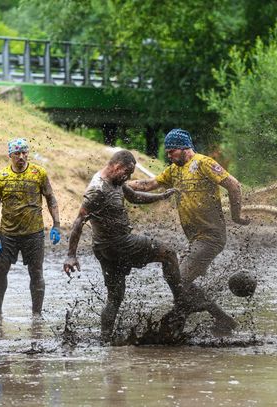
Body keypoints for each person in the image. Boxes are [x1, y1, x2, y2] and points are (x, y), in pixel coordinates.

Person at [128, 128, 250, 336]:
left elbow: (234, 185)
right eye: (167, 152)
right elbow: (149, 184)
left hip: (211, 237)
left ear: (185, 148)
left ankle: (197, 320)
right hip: (195, 239)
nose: (169, 155)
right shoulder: (174, 170)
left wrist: (236, 216)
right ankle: (207, 319)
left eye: (172, 151)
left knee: (180, 280)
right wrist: (119, 184)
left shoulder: (204, 163)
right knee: (172, 276)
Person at [63, 150, 185, 343]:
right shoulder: (97, 189)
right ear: (116, 166)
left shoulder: (116, 181)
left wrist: (161, 196)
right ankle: (181, 301)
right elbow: (79, 221)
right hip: (119, 244)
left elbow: (134, 196)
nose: (128, 177)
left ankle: (105, 340)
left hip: (104, 248)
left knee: (115, 297)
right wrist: (71, 255)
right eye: (126, 173)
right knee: (168, 253)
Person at [0, 138, 61, 316]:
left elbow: (51, 198)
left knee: (36, 272)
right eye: (17, 153)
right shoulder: (1, 177)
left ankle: (36, 315)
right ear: (10, 155)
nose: (21, 157)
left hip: (34, 233)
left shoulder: (39, 173)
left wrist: (56, 224)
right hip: (8, 234)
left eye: (24, 153)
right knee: (0, 271)